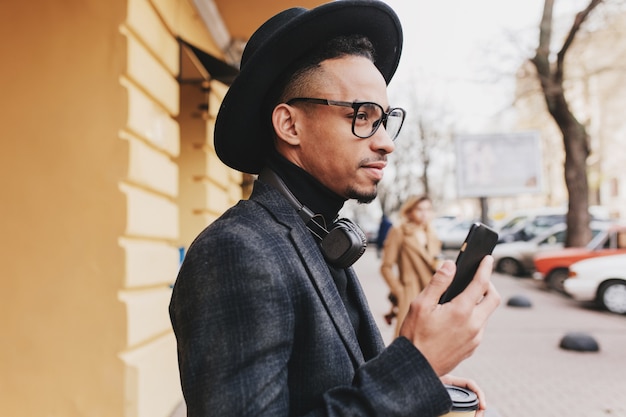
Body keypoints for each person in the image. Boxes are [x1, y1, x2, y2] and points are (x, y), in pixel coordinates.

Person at [169, 1, 501, 416]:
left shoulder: (321, 234)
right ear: (290, 125)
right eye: (362, 115)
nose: (386, 142)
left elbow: (328, 387)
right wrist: (411, 371)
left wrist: (420, 382)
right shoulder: (236, 251)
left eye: (385, 119)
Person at [380, 195, 443, 337]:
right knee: (405, 339)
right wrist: (400, 291)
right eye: (419, 209)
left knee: (430, 340)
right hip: (410, 293)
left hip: (432, 293)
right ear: (409, 212)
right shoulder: (399, 232)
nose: (424, 213)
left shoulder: (431, 233)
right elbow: (386, 267)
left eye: (428, 209)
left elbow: (433, 260)